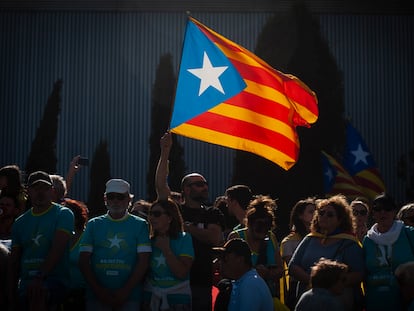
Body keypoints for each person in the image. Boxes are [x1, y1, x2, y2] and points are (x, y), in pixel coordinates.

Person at [156, 132, 224, 311]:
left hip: (201, 281)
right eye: (199, 184)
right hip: (173, 280)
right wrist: (165, 152)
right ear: (186, 189)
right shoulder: (175, 210)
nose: (205, 187)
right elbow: (161, 186)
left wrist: (186, 227)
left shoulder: (212, 213)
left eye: (205, 183)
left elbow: (214, 238)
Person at [79, 178, 151, 311]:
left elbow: (144, 262)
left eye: (120, 197)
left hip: (130, 296)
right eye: (111, 197)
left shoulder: (140, 224)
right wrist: (99, 291)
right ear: (105, 199)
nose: (116, 201)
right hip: (96, 297)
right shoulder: (93, 224)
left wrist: (125, 291)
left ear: (129, 200)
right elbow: (83, 260)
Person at [8, 170, 74, 310]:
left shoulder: (63, 214)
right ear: (28, 191)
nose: (40, 193)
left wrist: (39, 277)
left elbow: (58, 248)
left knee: (39, 293)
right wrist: (10, 292)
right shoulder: (20, 222)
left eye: (45, 188)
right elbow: (14, 261)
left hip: (55, 281)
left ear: (52, 191)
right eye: (36, 188)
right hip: (26, 284)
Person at [288, 194, 365, 311]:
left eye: (330, 215)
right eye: (321, 213)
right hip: (309, 302)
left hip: (338, 303)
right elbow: (292, 266)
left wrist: (332, 285)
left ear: (340, 220)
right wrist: (314, 282)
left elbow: (359, 274)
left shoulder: (348, 243)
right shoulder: (310, 239)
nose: (324, 216)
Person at [363, 192, 414, 311]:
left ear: (394, 211)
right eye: (377, 209)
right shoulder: (368, 240)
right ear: (373, 213)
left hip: (405, 301)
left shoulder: (408, 233)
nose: (382, 212)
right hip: (376, 300)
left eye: (387, 208)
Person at [227, 195, 284, 298]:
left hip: (266, 294)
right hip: (241, 294)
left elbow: (280, 270)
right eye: (259, 227)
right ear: (249, 223)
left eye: (266, 227)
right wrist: (252, 272)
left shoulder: (271, 238)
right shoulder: (236, 237)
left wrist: (267, 273)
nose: (263, 231)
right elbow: (227, 269)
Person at [143, 198, 194, 311]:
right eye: (150, 214)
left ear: (170, 218)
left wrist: (166, 250)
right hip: (151, 297)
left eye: (157, 214)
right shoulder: (147, 240)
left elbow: (181, 273)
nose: (152, 218)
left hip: (177, 300)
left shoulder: (184, 238)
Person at [213, 238, 274, 311]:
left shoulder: (250, 284)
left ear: (240, 259)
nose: (220, 263)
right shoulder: (243, 281)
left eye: (225, 258)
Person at [280, 197, 316, 309]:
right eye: (311, 211)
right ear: (300, 215)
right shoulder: (289, 241)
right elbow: (293, 268)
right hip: (297, 288)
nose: (315, 214)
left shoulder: (320, 238)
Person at [61, 198, 89, 311]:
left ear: (76, 219)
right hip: (60, 292)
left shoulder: (87, 237)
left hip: (81, 295)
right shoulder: (56, 237)